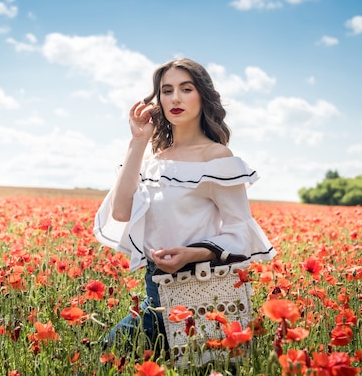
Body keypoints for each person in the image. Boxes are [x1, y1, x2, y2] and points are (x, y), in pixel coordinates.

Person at [93, 57, 276, 352]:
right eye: (167, 90)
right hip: (155, 289)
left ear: (202, 95)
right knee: (106, 358)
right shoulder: (154, 158)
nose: (175, 98)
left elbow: (240, 233)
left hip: (200, 289)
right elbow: (120, 211)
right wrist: (138, 141)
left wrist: (190, 253)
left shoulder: (216, 156)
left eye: (186, 89)